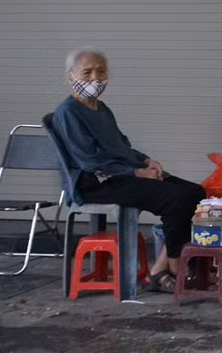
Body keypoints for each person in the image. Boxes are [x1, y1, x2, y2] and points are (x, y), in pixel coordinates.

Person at [52, 48, 206, 293]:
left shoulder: (101, 109)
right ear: (71, 77)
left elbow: (121, 146)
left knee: (196, 192)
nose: (95, 78)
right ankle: (177, 268)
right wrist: (136, 174)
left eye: (100, 72)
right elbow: (90, 160)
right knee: (176, 199)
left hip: (123, 175)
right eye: (87, 72)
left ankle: (159, 269)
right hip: (95, 183)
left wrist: (146, 162)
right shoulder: (68, 112)